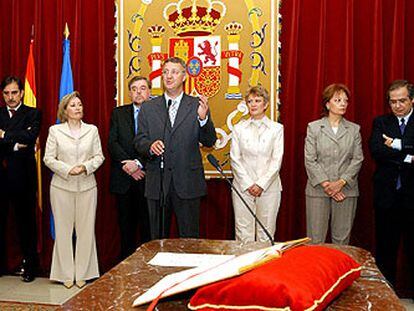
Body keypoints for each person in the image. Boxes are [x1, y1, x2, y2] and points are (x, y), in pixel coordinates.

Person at [134, 57, 217, 239]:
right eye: (165, 72)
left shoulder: (196, 105)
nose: (168, 76)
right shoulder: (148, 107)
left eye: (174, 72)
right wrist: (150, 146)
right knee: (157, 240)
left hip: (187, 183)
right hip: (158, 183)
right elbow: (139, 141)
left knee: (190, 239)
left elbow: (210, 141)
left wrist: (203, 120)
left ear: (184, 76)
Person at [43, 91, 104, 289]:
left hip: (87, 186)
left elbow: (99, 156)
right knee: (63, 231)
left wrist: (85, 167)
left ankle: (84, 273)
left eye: (79, 104)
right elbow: (48, 158)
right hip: (61, 187)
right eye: (73, 105)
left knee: (86, 231)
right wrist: (69, 169)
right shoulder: (55, 131)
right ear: (65, 110)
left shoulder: (92, 130)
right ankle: (65, 274)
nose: (78, 108)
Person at [304, 83, 363, 245]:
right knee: (315, 239)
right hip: (318, 190)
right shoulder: (314, 128)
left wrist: (341, 183)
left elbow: (357, 159)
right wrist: (327, 185)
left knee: (341, 239)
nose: (343, 103)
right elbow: (310, 159)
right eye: (338, 100)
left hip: (346, 190)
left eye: (345, 100)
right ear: (328, 104)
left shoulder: (354, 129)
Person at [369, 79, 414, 287]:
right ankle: (386, 295)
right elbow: (377, 152)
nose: (397, 105)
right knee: (386, 248)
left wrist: (396, 145)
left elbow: (389, 151)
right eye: (393, 101)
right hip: (387, 196)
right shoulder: (381, 122)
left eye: (402, 101)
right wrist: (408, 155)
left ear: (412, 100)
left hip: (412, 196)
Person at [230, 86, 284, 243]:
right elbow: (235, 158)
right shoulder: (239, 128)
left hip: (269, 188)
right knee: (243, 234)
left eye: (257, 101)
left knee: (266, 234)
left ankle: (264, 268)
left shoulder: (276, 129)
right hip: (242, 187)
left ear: (265, 104)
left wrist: (260, 184)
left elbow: (276, 160)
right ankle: (244, 267)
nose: (253, 104)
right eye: (250, 101)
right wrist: (248, 184)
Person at [0, 76, 41, 282]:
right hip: (2, 177)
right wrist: (16, 142)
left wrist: (4, 136)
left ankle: (30, 265)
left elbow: (30, 137)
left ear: (22, 93)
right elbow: (22, 138)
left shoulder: (32, 113)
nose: (10, 97)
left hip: (24, 178)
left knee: (26, 224)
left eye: (14, 92)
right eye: (6, 93)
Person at [108, 76, 151, 260]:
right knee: (126, 228)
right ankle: (126, 269)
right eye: (134, 88)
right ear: (129, 92)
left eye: (142, 88)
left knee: (147, 228)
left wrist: (139, 164)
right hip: (123, 179)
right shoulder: (118, 113)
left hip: (148, 180)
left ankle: (147, 268)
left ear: (149, 91)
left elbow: (159, 144)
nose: (138, 92)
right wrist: (130, 165)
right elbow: (112, 143)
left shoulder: (158, 114)